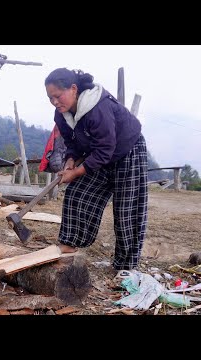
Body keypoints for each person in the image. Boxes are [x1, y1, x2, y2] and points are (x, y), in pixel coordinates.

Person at [44, 67, 148, 276]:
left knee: (126, 210)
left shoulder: (98, 108)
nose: (55, 102)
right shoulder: (61, 114)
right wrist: (71, 160)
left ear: (73, 89)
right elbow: (71, 141)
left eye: (58, 96)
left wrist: (77, 171)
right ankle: (69, 244)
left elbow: (105, 150)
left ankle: (125, 265)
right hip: (98, 153)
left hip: (128, 150)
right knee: (77, 193)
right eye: (50, 98)